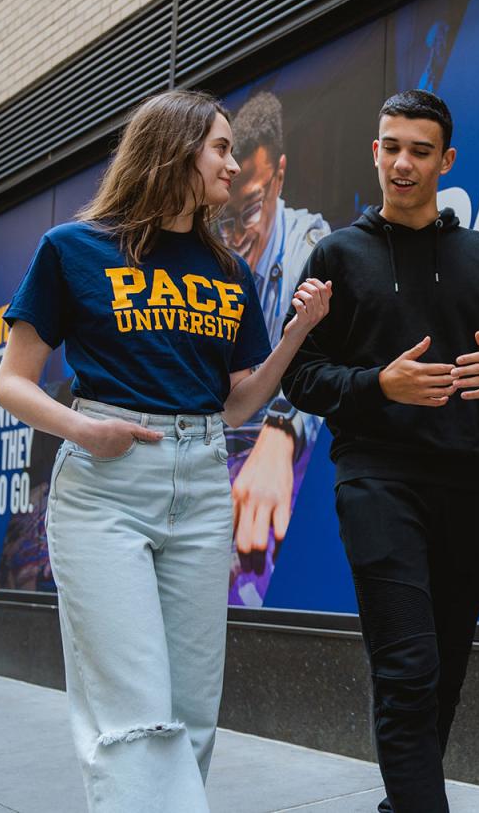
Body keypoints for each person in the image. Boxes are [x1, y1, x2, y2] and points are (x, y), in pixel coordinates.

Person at [0, 89, 332, 811]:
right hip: (106, 486)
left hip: (203, 482)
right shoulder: (72, 250)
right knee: (134, 712)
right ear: (175, 148)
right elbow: (13, 386)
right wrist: (84, 430)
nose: (231, 163)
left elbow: (238, 401)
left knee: (192, 711)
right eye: (219, 147)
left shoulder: (228, 273)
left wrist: (297, 334)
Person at [282, 89, 479, 813]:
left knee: (442, 670)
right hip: (377, 483)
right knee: (407, 666)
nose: (402, 163)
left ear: (446, 160)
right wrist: (379, 384)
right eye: (391, 146)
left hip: (472, 487)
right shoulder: (336, 254)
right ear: (374, 150)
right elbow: (299, 375)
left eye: (419, 151)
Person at [215, 89, 332, 606]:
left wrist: (282, 431)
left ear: (279, 176)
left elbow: (326, 356)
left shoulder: (314, 249)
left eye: (251, 211)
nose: (236, 238)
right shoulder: (212, 260)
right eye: (223, 219)